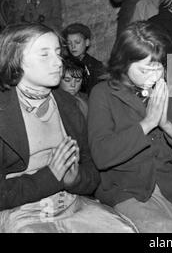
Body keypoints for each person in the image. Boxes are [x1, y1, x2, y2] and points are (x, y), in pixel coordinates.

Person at [0, 23, 138, 233]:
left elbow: (92, 170)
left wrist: (76, 179)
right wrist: (50, 176)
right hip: (21, 214)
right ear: (16, 59)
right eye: (44, 55)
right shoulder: (3, 113)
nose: (58, 62)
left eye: (58, 53)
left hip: (73, 207)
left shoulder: (70, 105)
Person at [87, 21, 172, 233]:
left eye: (158, 67)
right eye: (144, 69)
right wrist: (147, 123)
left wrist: (165, 123)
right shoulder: (102, 93)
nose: (153, 76)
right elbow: (102, 154)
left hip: (170, 187)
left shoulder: (166, 89)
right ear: (123, 63)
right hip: (127, 191)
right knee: (159, 229)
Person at [62, 23, 105, 95]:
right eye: (69, 43)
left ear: (87, 42)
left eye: (77, 42)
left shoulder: (97, 67)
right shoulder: (62, 63)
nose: (73, 46)